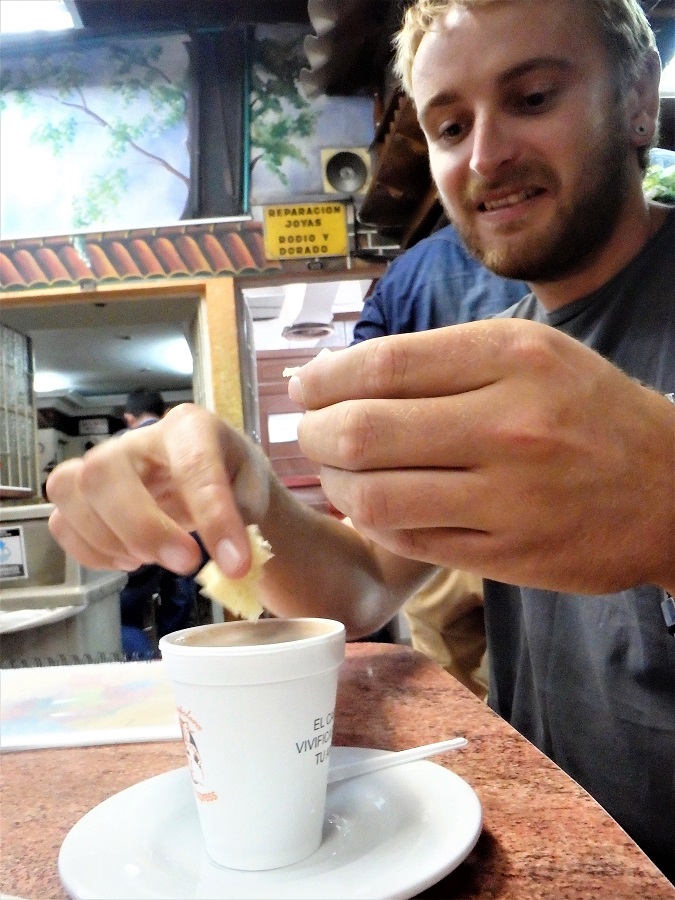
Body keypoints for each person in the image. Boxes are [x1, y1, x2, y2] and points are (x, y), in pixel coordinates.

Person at [45, 0, 674, 880]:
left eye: (531, 97)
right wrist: (252, 494)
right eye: (449, 125)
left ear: (639, 98)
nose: (484, 156)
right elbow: (362, 588)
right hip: (542, 850)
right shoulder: (487, 358)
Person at [352, 226, 527, 693]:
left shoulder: (402, 275)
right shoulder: (539, 256)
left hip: (432, 527)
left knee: (451, 687)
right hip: (538, 508)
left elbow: (358, 388)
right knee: (538, 667)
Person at [117, 388, 204, 656]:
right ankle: (175, 647)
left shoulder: (119, 445)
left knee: (126, 615)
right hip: (186, 534)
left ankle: (149, 660)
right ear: (163, 412)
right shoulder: (181, 438)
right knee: (179, 589)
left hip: (141, 547)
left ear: (129, 417)